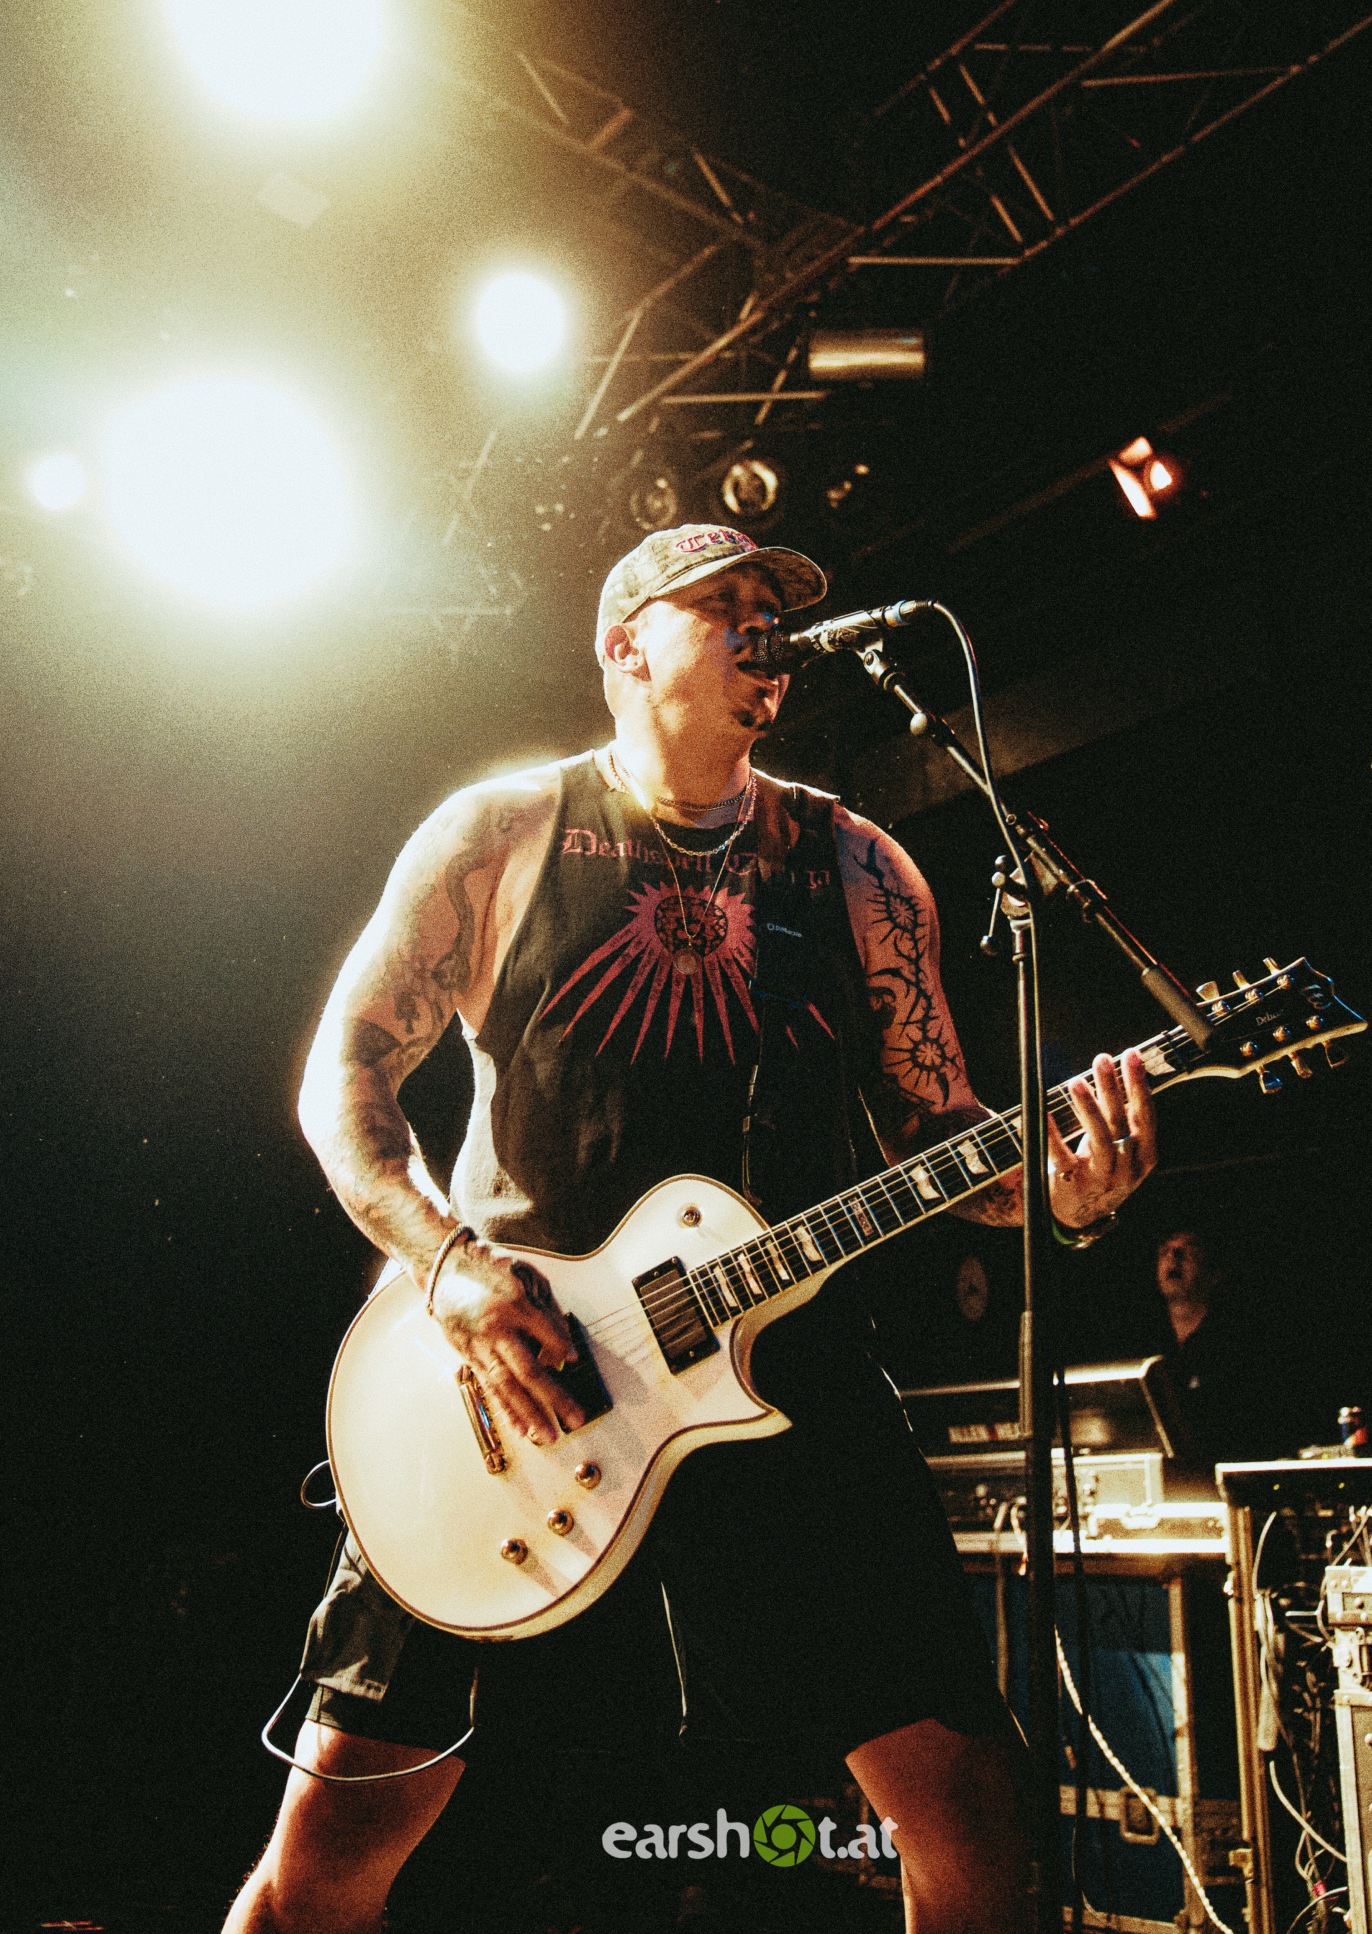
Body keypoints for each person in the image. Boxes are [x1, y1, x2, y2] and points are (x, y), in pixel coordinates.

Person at [223, 524, 1158, 1934]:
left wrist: (1060, 1196)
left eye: (773, 611)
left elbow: (938, 1131)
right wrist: (451, 1269)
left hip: (784, 1365)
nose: (760, 629)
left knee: (972, 1812)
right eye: (723, 605)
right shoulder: (502, 832)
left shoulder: (856, 865)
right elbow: (342, 1073)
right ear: (623, 645)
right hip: (521, 1376)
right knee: (329, 1858)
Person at [1154, 1226, 1273, 1462]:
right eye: (1165, 1251)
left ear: (1213, 1274)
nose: (1173, 1257)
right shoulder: (1147, 1340)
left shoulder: (1237, 1342)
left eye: (1188, 1251)